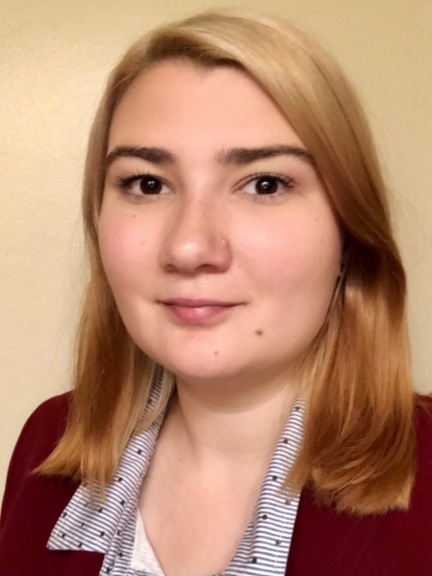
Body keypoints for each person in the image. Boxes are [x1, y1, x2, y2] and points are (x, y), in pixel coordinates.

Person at [1, 8, 431, 576]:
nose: (189, 246)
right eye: (147, 184)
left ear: (350, 230)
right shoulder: (47, 447)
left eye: (265, 184)